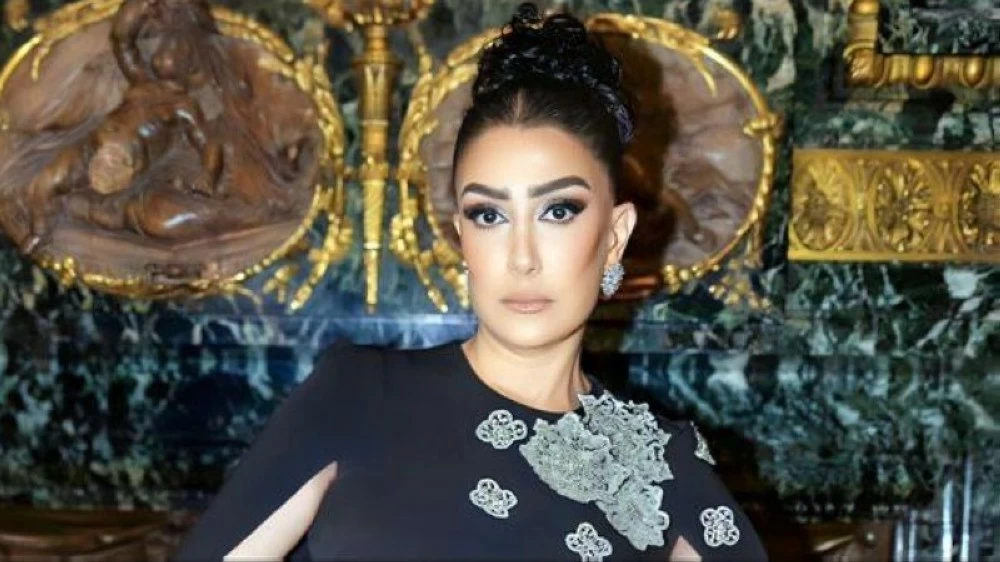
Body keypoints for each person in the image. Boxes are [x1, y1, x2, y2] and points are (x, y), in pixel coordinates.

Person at [172, 3, 768, 561]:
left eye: (558, 211)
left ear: (614, 236)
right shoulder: (359, 393)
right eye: (489, 216)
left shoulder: (667, 466)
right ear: (461, 234)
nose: (522, 257)